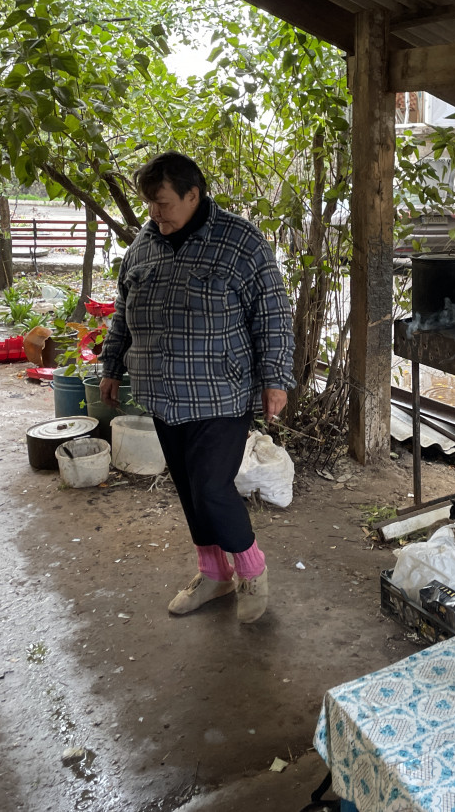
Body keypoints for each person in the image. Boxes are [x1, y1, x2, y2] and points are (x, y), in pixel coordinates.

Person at [98, 152, 295, 624]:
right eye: (149, 204)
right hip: (164, 393)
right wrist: (110, 365)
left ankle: (251, 569)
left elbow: (272, 314)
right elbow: (124, 310)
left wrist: (275, 379)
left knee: (211, 487)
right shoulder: (143, 246)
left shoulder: (241, 242)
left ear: (193, 194)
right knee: (188, 489)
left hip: (220, 393)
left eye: (163, 203)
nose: (155, 214)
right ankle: (213, 574)